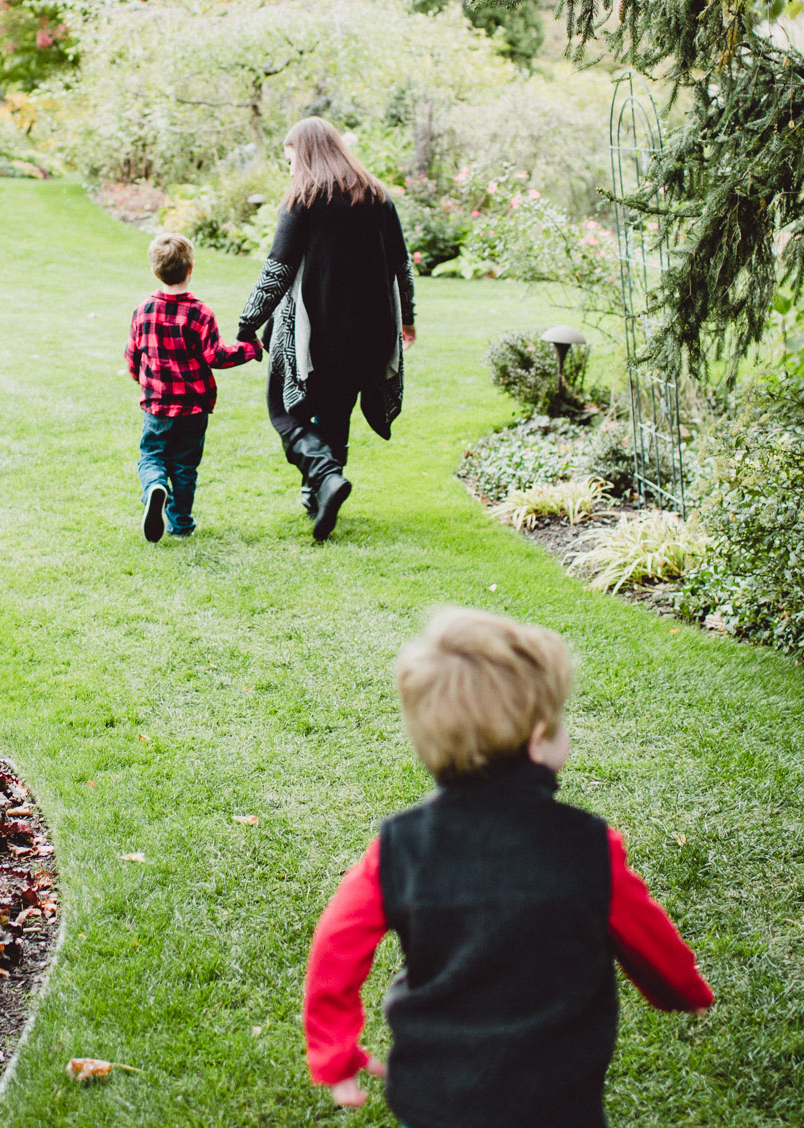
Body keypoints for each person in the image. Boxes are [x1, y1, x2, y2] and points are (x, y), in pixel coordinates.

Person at [302, 607, 714, 1127]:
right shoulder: (586, 844)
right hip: (554, 1096)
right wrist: (684, 992)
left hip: (434, 1097)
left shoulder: (398, 846)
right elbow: (646, 935)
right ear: (540, 736)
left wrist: (334, 1052)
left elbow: (335, 945)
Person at [236, 117, 416, 541]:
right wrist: (407, 319)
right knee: (336, 412)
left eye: (291, 155)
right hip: (371, 336)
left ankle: (322, 474)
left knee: (286, 411)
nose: (290, 165)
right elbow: (402, 268)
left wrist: (248, 323)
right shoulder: (377, 197)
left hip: (318, 337)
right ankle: (319, 494)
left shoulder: (304, 199)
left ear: (307, 153)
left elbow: (277, 270)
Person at [124, 232, 261, 542]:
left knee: (151, 456)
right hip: (193, 406)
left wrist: (140, 379)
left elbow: (133, 353)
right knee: (185, 465)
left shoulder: (143, 310)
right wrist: (250, 349)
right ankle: (181, 524)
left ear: (154, 271)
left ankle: (155, 487)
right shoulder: (200, 313)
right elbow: (216, 355)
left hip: (157, 404)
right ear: (190, 269)